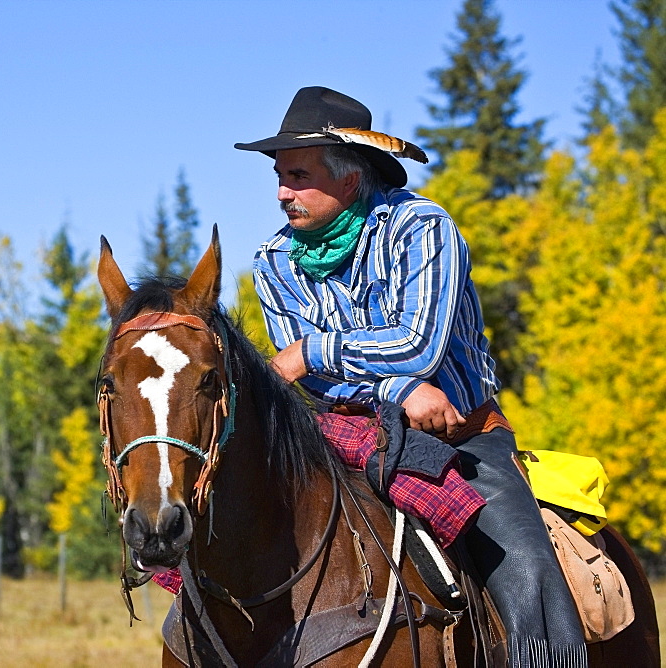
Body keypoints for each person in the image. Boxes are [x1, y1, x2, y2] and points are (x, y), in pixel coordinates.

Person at [236, 86, 587, 667]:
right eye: (279, 175)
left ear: (349, 180)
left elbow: (416, 344)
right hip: (339, 440)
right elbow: (321, 385)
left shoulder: (421, 228)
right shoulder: (273, 260)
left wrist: (315, 350)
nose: (282, 192)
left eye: (298, 175)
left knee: (524, 572)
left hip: (461, 439)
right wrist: (397, 388)